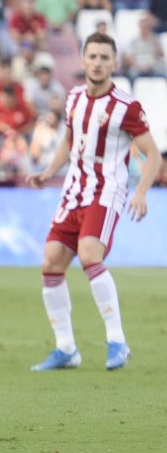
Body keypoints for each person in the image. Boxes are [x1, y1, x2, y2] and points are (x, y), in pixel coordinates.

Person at [26, 32, 161, 372]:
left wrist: (141, 190)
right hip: (73, 191)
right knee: (51, 262)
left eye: (105, 58)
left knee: (89, 254)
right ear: (83, 60)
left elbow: (153, 155)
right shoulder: (72, 98)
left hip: (106, 191)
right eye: (93, 56)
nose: (98, 63)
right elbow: (69, 142)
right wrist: (48, 172)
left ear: (114, 63)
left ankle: (117, 340)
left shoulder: (126, 107)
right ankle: (66, 349)